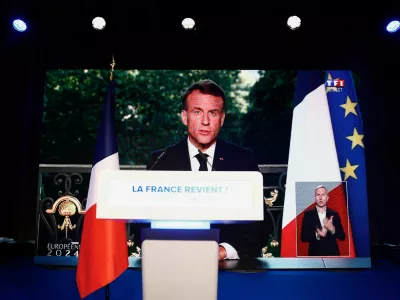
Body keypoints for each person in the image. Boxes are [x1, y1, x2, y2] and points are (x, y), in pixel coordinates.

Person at [145, 79, 269, 261]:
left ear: (222, 119)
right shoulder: (161, 161)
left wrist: (223, 251)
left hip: (230, 269)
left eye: (213, 113)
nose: (205, 121)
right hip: (173, 264)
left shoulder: (242, 160)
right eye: (197, 112)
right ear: (184, 116)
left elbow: (259, 227)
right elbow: (145, 225)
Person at [300, 185, 346, 256]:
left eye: (323, 195)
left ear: (327, 198)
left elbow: (342, 237)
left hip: (332, 255)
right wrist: (317, 234)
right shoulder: (308, 214)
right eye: (318, 195)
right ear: (315, 198)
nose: (320, 198)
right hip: (315, 255)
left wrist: (332, 229)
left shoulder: (334, 214)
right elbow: (303, 237)